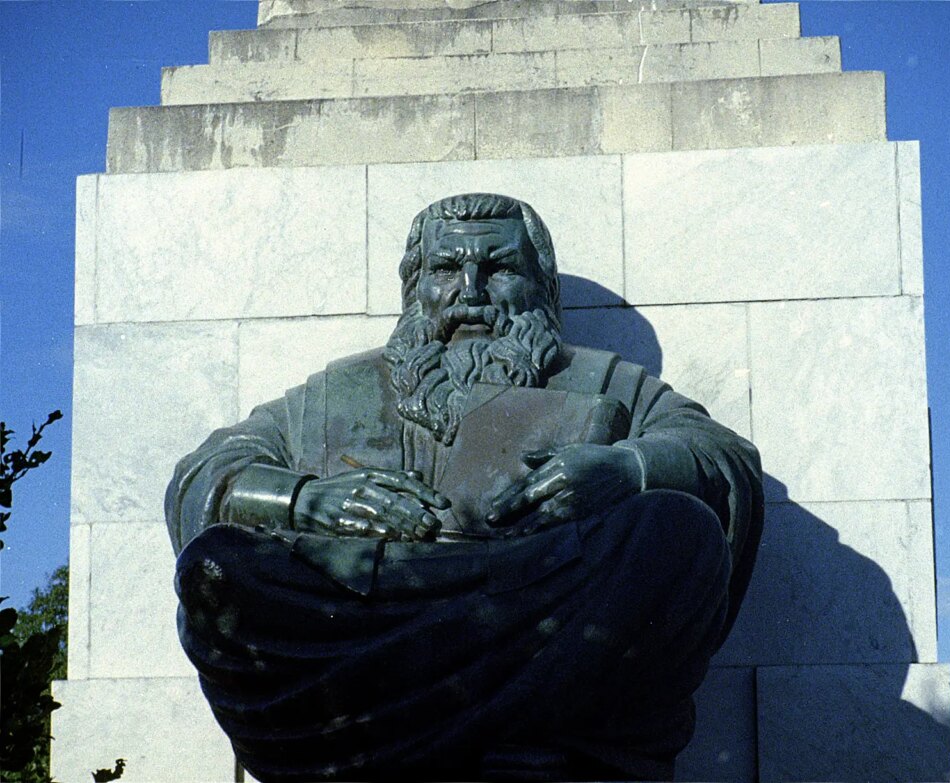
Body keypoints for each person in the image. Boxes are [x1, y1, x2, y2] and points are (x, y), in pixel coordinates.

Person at [165, 193, 763, 782]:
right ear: (415, 288)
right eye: (447, 268)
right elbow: (205, 475)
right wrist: (306, 501)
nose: (471, 290)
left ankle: (494, 727)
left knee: (678, 533)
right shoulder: (334, 393)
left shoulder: (607, 381)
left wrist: (624, 469)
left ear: (542, 289)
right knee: (216, 565)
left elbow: (721, 456)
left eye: (499, 268)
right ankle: (496, 726)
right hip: (374, 611)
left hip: (533, 598)